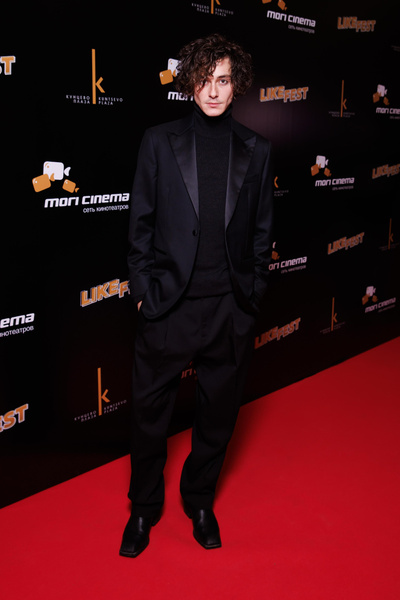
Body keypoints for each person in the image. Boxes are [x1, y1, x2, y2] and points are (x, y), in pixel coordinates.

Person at [120, 33, 273, 558]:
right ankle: (143, 508)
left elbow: (261, 234)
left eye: (223, 80)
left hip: (230, 307)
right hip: (169, 305)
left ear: (237, 85)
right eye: (205, 79)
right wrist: (143, 294)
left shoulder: (257, 149)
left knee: (218, 416)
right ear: (188, 83)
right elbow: (139, 226)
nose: (213, 91)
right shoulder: (158, 141)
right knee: (149, 415)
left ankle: (200, 500)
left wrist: (252, 295)